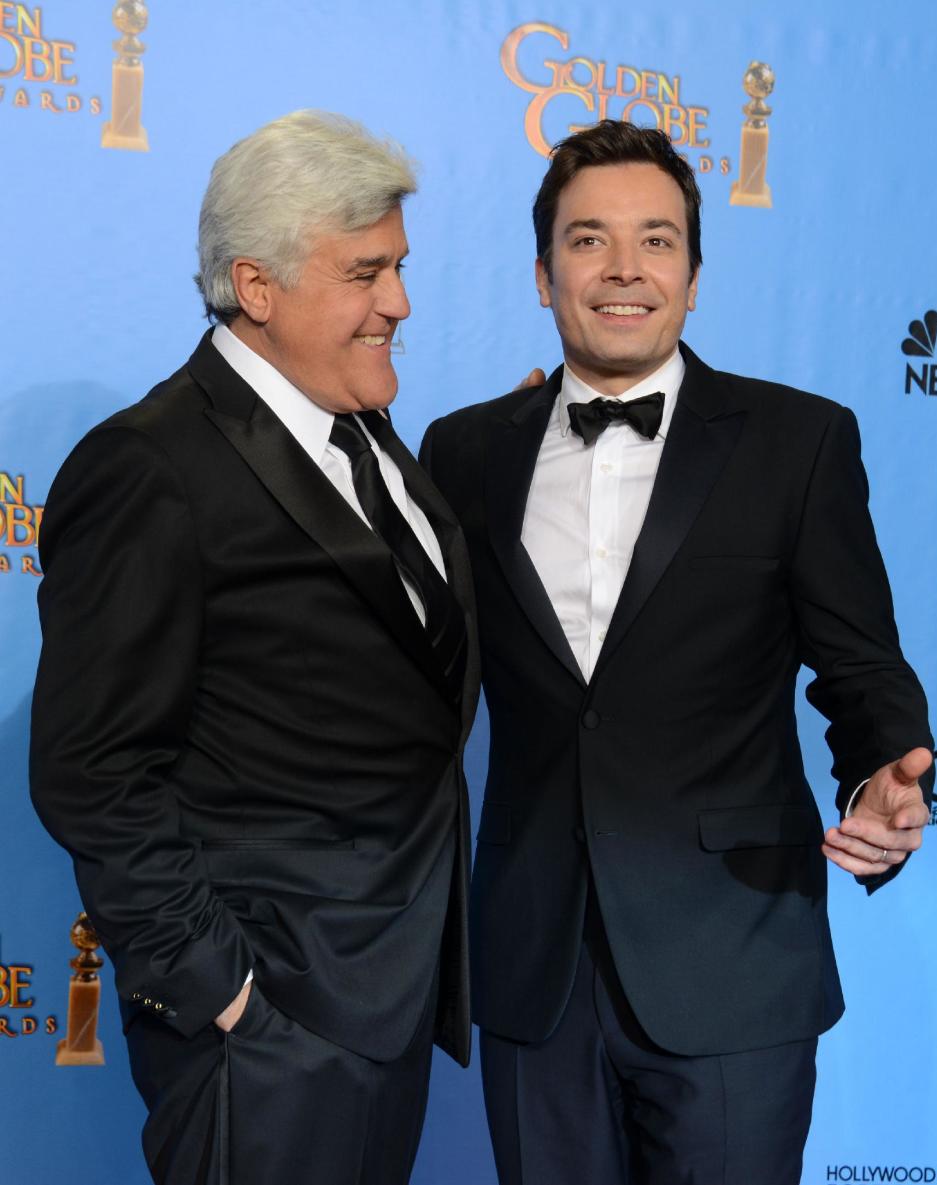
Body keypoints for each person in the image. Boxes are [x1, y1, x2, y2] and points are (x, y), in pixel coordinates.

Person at [420, 120, 933, 1185]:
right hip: (533, 960)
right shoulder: (463, 450)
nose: (622, 270)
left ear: (694, 276)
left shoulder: (799, 442)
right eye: (588, 240)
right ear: (542, 272)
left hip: (734, 953)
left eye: (656, 242)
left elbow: (861, 664)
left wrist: (887, 768)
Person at [30, 110, 478, 1185]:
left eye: (401, 269)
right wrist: (222, 991)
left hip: (390, 995)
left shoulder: (363, 427)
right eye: (366, 273)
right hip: (268, 1023)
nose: (400, 305)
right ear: (258, 286)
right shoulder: (151, 467)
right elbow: (90, 770)